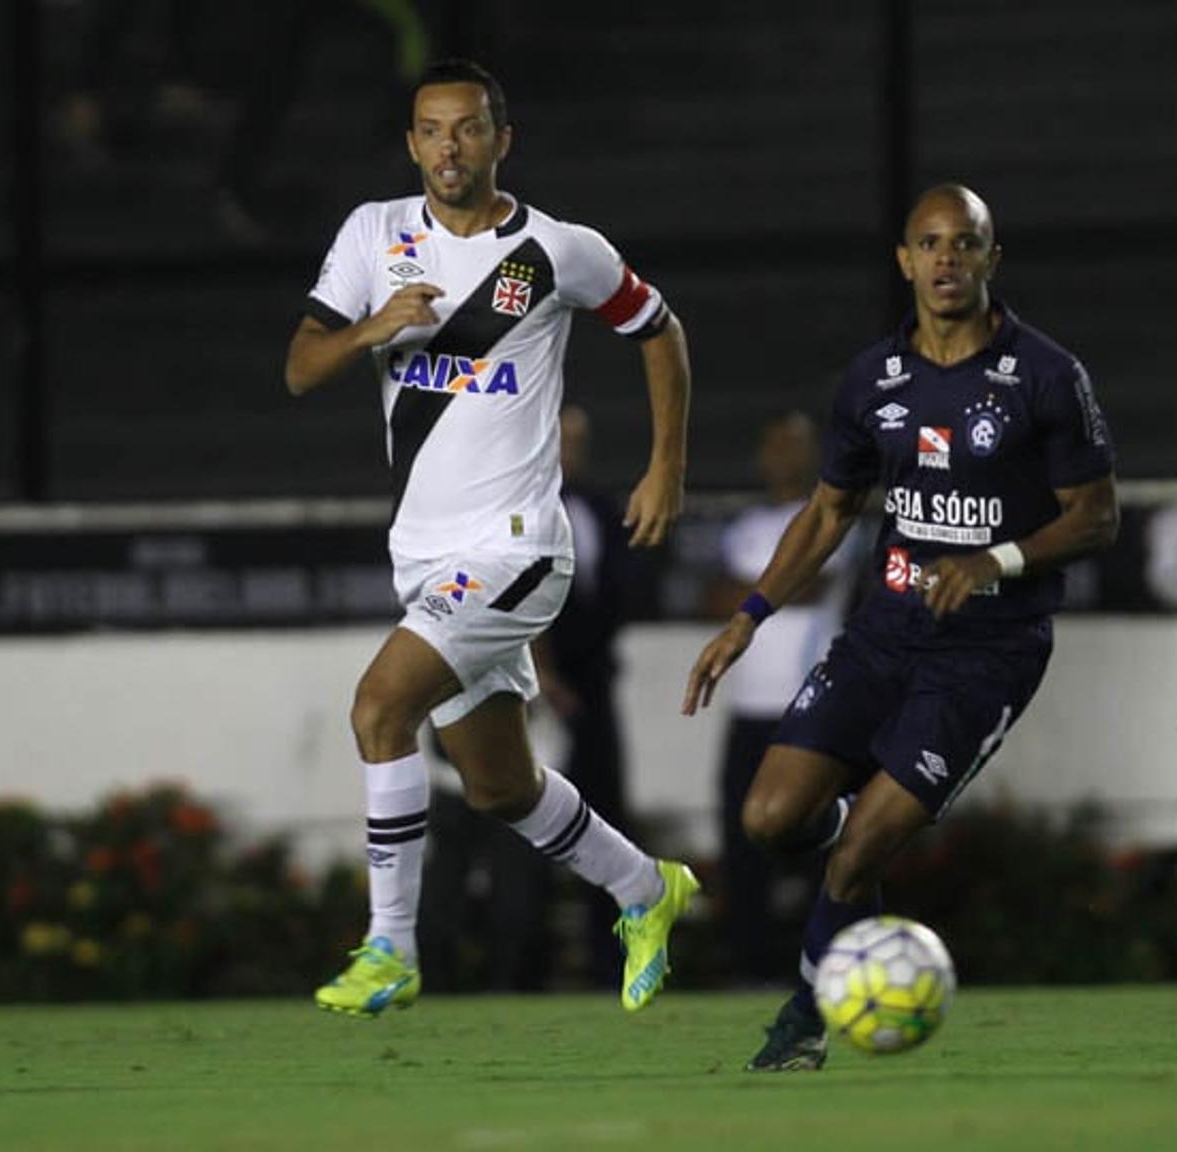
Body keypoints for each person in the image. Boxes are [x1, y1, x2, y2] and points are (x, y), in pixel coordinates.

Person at [285, 58, 699, 1017]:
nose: (449, 148)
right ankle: (647, 888)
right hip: (425, 556)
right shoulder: (373, 235)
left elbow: (659, 328)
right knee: (498, 786)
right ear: (412, 143)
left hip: (515, 549)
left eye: (468, 129)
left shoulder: (557, 252)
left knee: (380, 708)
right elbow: (302, 368)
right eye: (431, 130)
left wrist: (666, 465)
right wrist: (371, 330)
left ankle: (391, 946)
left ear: (501, 141)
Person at [682, 184, 1119, 1069]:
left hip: (988, 654)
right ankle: (852, 812)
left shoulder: (1045, 375)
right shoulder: (873, 379)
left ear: (993, 259)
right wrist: (748, 618)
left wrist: (991, 560)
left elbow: (1097, 517)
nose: (947, 260)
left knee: (857, 855)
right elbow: (828, 511)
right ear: (905, 261)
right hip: (885, 634)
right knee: (768, 818)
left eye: (966, 244)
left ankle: (803, 1021)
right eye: (930, 244)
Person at [705, 411, 860, 984]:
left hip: (810, 704)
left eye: (792, 447)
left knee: (823, 841)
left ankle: (829, 964)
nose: (781, 459)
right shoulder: (746, 526)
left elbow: (810, 582)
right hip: (748, 708)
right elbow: (712, 594)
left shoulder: (830, 517)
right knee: (741, 840)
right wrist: (763, 589)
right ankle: (752, 967)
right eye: (772, 446)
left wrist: (748, 591)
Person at [534, 404, 635, 988]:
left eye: (579, 439)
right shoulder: (516, 504)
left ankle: (607, 962)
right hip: (534, 692)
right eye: (561, 438)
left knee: (604, 819)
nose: (571, 449)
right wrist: (543, 674)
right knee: (532, 821)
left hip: (594, 692)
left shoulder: (603, 508)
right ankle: (526, 967)